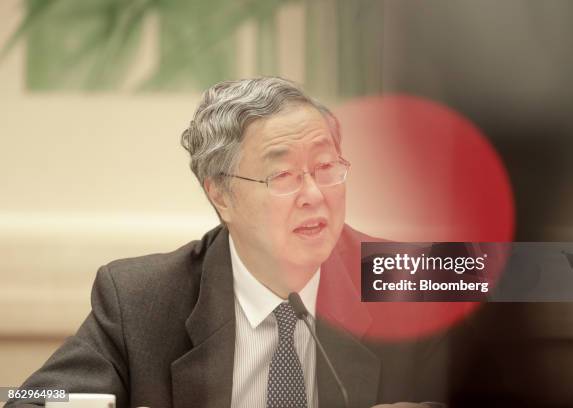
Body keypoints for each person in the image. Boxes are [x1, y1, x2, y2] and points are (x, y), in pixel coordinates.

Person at [5, 77, 442, 408]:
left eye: (326, 166)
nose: (314, 193)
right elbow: (29, 400)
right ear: (220, 193)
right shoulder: (140, 299)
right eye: (283, 176)